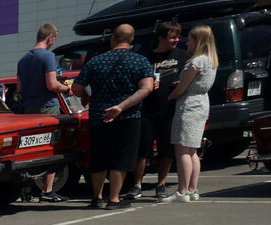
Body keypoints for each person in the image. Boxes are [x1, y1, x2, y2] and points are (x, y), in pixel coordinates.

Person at [70, 24, 154, 209]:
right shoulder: (140, 61)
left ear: (112, 39)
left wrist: (86, 95)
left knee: (98, 156)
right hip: (128, 116)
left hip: (98, 115)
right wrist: (121, 107)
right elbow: (146, 88)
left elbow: (75, 88)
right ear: (131, 40)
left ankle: (96, 197)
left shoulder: (95, 61)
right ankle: (114, 198)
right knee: (122, 157)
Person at [127, 21, 190, 200]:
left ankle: (161, 185)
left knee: (166, 150)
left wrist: (182, 84)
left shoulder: (183, 56)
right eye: (172, 37)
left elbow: (191, 78)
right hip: (146, 110)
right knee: (142, 150)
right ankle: (137, 185)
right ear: (161, 38)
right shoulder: (145, 57)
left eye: (178, 37)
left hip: (169, 110)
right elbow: (135, 81)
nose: (176, 40)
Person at [17, 23, 74, 202]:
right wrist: (66, 88)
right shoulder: (48, 56)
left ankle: (26, 189)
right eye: (54, 39)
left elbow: (19, 88)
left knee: (29, 148)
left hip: (28, 109)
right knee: (51, 147)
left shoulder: (23, 59)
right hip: (48, 107)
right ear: (50, 38)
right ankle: (47, 191)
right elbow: (51, 84)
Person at [164, 24, 218, 203]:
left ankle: (182, 191)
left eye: (190, 39)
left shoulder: (196, 62)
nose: (187, 42)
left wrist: (169, 96)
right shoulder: (211, 60)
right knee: (192, 149)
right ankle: (193, 190)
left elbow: (181, 89)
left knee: (182, 151)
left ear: (199, 41)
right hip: (202, 104)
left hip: (189, 106)